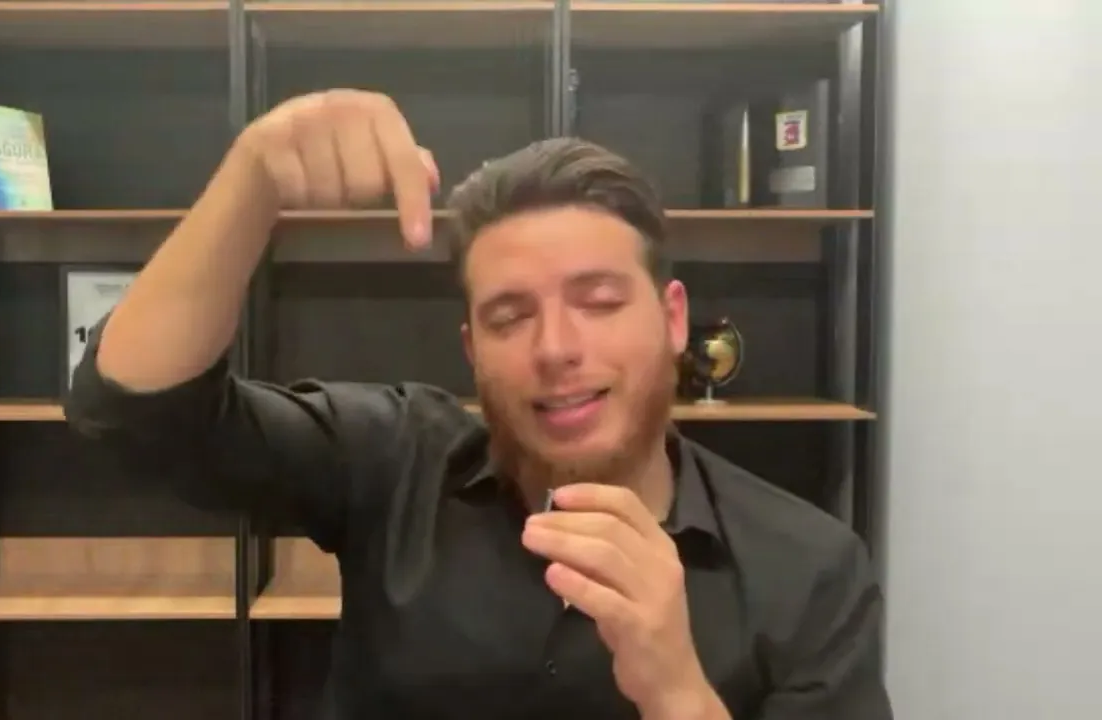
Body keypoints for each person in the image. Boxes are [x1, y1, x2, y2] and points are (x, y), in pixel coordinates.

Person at [65, 89, 894, 720]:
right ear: (471, 347)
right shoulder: (394, 462)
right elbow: (133, 408)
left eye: (600, 301)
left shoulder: (810, 572)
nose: (555, 348)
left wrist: (678, 692)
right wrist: (251, 182)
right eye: (509, 316)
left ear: (674, 319)